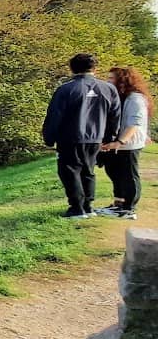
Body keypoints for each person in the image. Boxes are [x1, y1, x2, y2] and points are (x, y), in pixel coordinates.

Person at [42, 53, 121, 219]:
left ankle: (76, 208)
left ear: (71, 68)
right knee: (88, 170)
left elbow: (55, 115)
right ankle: (88, 206)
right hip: (96, 138)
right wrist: (109, 138)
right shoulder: (108, 89)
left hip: (70, 138)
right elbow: (114, 115)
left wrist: (49, 137)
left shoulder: (66, 89)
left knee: (70, 171)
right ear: (94, 68)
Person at [98, 66, 151, 220]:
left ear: (122, 81)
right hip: (117, 143)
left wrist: (120, 142)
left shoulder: (135, 98)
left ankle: (129, 208)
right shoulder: (120, 96)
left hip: (128, 144)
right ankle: (118, 204)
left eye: (111, 78)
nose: (108, 81)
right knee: (114, 172)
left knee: (129, 175)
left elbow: (135, 123)